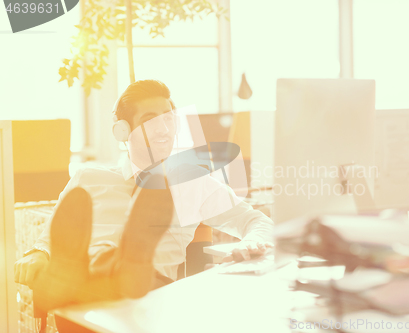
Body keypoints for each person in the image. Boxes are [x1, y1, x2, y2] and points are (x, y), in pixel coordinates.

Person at [14, 79, 274, 309]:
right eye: (149, 120)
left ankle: (125, 261)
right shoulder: (89, 178)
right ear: (123, 131)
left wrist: (251, 243)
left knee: (121, 272)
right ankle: (106, 262)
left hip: (150, 295)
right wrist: (37, 253)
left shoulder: (194, 184)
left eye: (168, 118)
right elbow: (48, 239)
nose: (163, 129)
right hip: (83, 288)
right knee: (80, 269)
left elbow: (257, 221)